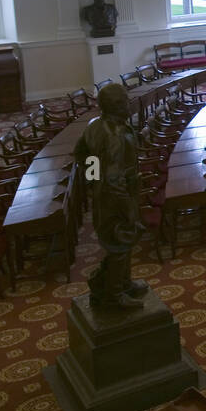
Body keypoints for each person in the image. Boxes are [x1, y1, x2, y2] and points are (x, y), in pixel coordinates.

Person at [74, 83, 148, 309]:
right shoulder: (115, 135)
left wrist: (92, 179)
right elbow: (114, 178)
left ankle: (124, 284)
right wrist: (128, 207)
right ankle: (115, 296)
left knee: (121, 243)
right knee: (120, 244)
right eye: (126, 101)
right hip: (117, 198)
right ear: (118, 106)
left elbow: (82, 153)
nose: (129, 105)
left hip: (103, 194)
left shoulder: (94, 125)